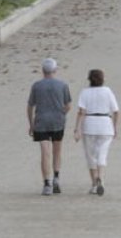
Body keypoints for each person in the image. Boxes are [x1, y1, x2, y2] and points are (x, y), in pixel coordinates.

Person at [27, 57, 72, 195]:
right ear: (55, 70)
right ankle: (56, 177)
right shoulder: (63, 85)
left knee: (45, 153)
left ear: (43, 71)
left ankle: (47, 183)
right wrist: (61, 113)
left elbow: (30, 106)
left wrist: (31, 124)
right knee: (57, 151)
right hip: (57, 121)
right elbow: (68, 105)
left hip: (41, 121)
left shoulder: (36, 86)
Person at [72, 69, 120, 196]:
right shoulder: (107, 91)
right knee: (102, 153)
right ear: (103, 79)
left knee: (90, 156)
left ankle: (94, 184)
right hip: (105, 124)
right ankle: (101, 178)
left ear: (89, 79)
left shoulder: (85, 92)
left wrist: (77, 129)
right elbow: (116, 111)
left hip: (89, 124)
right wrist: (115, 127)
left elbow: (81, 112)